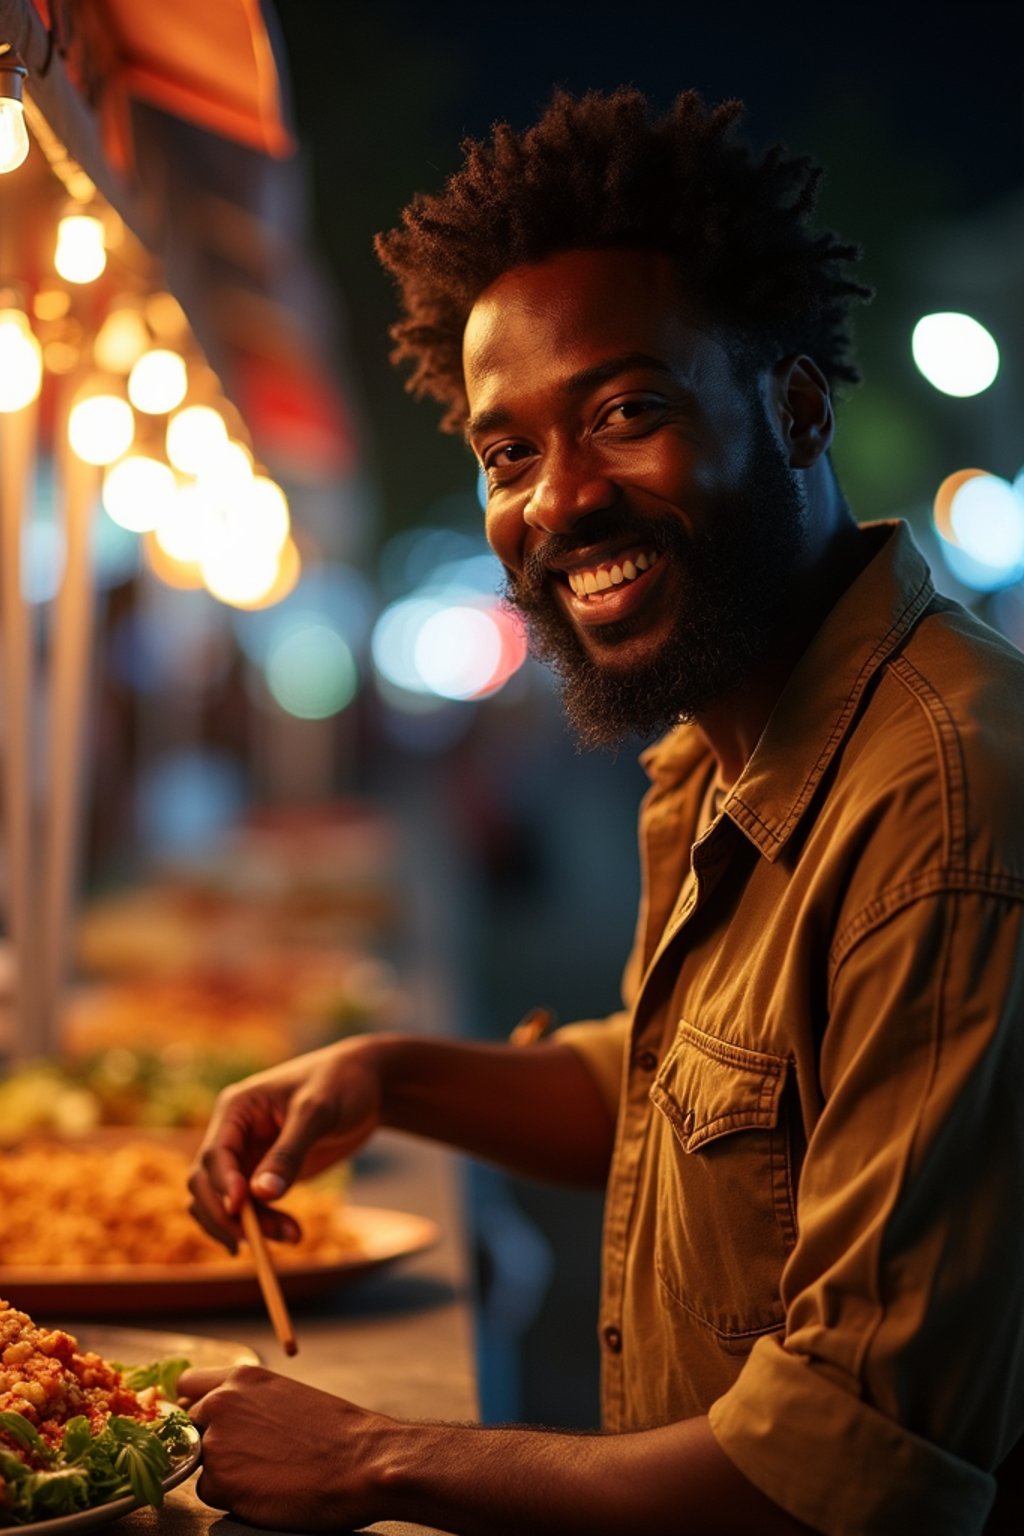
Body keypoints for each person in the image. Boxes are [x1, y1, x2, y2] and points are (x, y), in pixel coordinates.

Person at [182, 88, 1024, 1534]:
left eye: (628, 412)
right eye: (509, 453)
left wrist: (372, 1457)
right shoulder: (727, 737)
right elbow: (692, 1101)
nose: (560, 500)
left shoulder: (947, 803)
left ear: (798, 403)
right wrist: (392, 1074)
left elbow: (844, 1462)